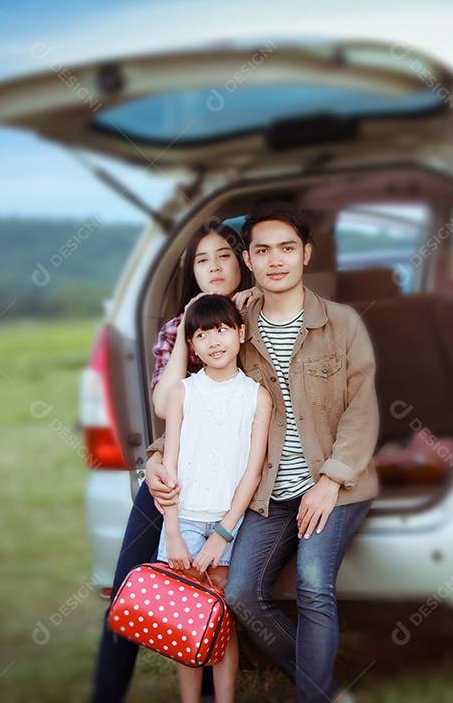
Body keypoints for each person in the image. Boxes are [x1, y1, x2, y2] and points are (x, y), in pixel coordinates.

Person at [148, 203, 380, 703]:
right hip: (267, 491)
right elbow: (205, 404)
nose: (276, 260)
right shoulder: (234, 321)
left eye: (287, 249)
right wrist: (155, 454)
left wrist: (331, 480)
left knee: (314, 585)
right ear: (248, 260)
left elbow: (362, 416)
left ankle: (314, 696)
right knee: (240, 595)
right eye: (262, 250)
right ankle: (325, 688)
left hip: (334, 484)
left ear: (306, 255)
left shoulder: (341, 324)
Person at [89, 221, 254, 703]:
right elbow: (164, 406)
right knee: (128, 581)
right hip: (181, 473)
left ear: (243, 261)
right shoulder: (173, 333)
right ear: (193, 272)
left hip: (239, 480)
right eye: (202, 260)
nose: (214, 268)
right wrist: (186, 329)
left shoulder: (257, 321)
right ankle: (106, 693)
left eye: (224, 256)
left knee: (217, 589)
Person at [156, 293, 273, 703]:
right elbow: (168, 467)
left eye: (222, 329)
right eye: (201, 334)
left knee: (221, 623)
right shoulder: (183, 394)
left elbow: (253, 473)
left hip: (229, 525)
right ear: (191, 345)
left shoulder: (257, 396)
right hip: (184, 520)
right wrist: (172, 531)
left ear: (240, 333)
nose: (213, 341)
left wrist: (222, 534)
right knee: (186, 624)